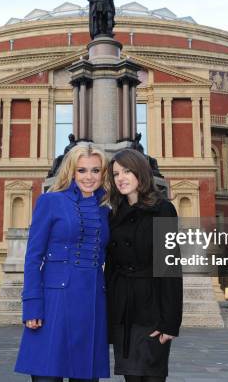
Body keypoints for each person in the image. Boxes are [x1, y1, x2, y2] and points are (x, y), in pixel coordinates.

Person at [15, 144, 111, 382]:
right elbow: (33, 258)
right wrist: (32, 306)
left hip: (92, 303)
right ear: (71, 172)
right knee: (48, 375)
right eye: (82, 170)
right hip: (54, 303)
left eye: (95, 170)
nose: (89, 177)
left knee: (85, 376)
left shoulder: (106, 211)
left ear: (103, 174)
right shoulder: (50, 201)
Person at [105, 149, 183, 382]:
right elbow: (110, 266)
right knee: (131, 377)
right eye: (116, 173)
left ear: (141, 172)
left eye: (127, 171)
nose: (121, 178)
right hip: (123, 309)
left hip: (152, 310)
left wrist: (170, 322)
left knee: (152, 377)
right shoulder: (113, 214)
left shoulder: (163, 209)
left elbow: (170, 267)